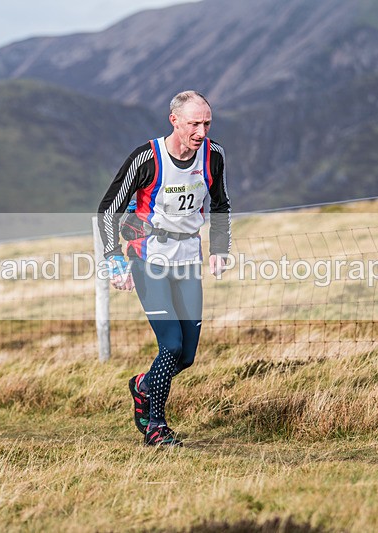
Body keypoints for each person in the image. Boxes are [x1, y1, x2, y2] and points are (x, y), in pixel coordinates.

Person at [97, 90, 231, 447]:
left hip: (188, 261)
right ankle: (156, 426)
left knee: (186, 355)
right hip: (149, 259)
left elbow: (221, 205)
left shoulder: (213, 155)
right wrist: (115, 260)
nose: (201, 131)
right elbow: (108, 209)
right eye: (194, 124)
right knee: (170, 345)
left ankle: (143, 385)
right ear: (174, 120)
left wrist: (220, 249)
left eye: (207, 123)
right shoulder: (148, 157)